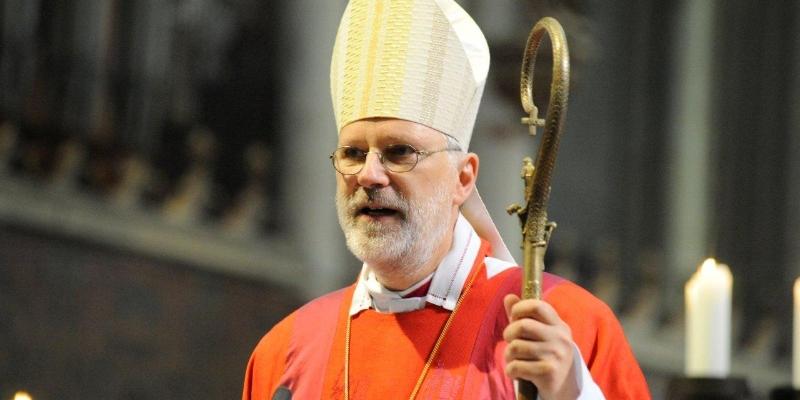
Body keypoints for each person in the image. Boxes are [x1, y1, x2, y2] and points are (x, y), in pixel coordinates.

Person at [242, 0, 651, 399]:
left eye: (400, 152)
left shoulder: (558, 326)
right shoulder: (285, 351)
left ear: (463, 177)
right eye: (352, 153)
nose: (368, 174)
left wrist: (570, 393)